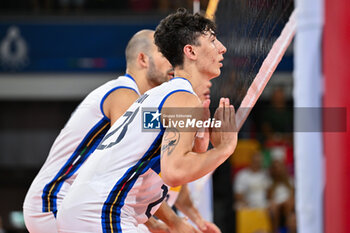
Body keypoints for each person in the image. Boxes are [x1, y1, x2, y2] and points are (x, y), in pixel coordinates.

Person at [56, 8, 237, 233]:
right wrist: (225, 148)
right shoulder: (181, 99)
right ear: (190, 51)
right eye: (212, 40)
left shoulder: (164, 96)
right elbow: (175, 172)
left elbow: (181, 155)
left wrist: (203, 134)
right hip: (102, 210)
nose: (222, 48)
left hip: (89, 209)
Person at [22, 29, 173, 233]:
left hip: (65, 200)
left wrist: (156, 224)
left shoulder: (134, 100)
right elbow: (133, 168)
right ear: (143, 59)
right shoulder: (123, 96)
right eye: (164, 54)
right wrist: (175, 222)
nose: (173, 61)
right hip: (55, 200)